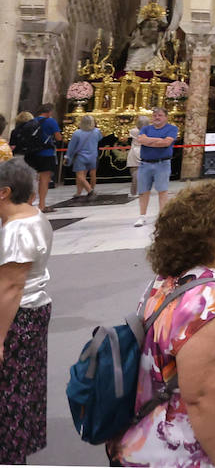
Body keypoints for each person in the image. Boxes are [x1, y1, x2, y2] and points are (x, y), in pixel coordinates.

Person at [107, 180, 215, 468]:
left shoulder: (169, 280)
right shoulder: (212, 299)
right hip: (181, 451)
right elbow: (202, 396)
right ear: (208, 229)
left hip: (143, 439)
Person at [0, 159, 54, 465]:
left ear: (4, 193)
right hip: (32, 312)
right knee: (22, 386)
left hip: (17, 317)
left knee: (10, 392)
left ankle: (9, 454)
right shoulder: (33, 216)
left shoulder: (17, 230)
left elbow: (10, 288)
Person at [135, 107, 178, 228]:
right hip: (145, 164)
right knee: (143, 191)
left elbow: (166, 143)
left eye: (159, 115)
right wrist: (158, 140)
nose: (157, 118)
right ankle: (142, 216)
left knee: (162, 190)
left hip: (162, 164)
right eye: (154, 116)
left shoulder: (172, 128)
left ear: (166, 117)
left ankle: (163, 216)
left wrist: (149, 141)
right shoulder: (145, 128)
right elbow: (141, 140)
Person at [9, 113, 49, 213]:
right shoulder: (35, 129)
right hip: (31, 157)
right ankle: (29, 202)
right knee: (31, 180)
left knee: (17, 179)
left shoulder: (15, 131)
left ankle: (16, 200)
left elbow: (12, 145)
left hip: (17, 156)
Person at [31, 105, 61, 212]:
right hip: (46, 153)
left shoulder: (32, 120)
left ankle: (28, 203)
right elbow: (58, 137)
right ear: (48, 112)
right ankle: (42, 204)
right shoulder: (50, 121)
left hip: (33, 153)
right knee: (44, 179)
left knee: (33, 179)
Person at [67, 114, 103, 202]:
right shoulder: (96, 131)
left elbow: (71, 147)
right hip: (93, 156)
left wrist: (67, 156)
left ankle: (90, 190)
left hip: (81, 156)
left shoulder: (77, 133)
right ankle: (82, 192)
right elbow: (100, 138)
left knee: (80, 175)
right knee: (92, 174)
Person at [126, 114, 148, 197]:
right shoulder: (148, 131)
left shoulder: (133, 131)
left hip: (134, 151)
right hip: (144, 151)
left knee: (134, 173)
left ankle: (134, 192)